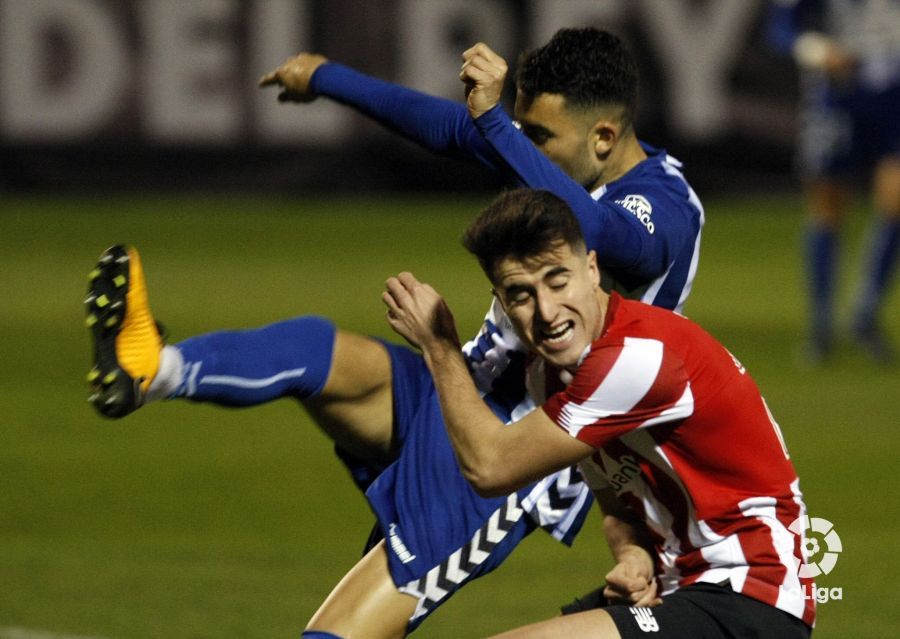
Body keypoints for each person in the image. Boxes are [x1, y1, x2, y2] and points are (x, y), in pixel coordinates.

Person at [85, 29, 703, 638]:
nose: (524, 146)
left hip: (513, 452)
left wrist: (494, 124)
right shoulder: (550, 157)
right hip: (460, 382)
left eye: (536, 135)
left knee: (341, 630)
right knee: (312, 350)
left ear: (603, 137)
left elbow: (600, 228)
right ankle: (152, 369)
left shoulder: (665, 206)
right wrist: (327, 76)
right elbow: (444, 126)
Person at [384, 188, 816, 638]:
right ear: (501, 301)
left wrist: (439, 346)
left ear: (591, 269)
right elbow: (615, 499)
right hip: (679, 586)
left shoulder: (636, 359)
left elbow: (491, 467)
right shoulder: (549, 373)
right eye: (521, 294)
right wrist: (634, 557)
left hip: (750, 594)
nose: (547, 312)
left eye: (557, 280)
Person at [767, 0, 900, 364]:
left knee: (895, 201)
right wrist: (817, 50)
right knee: (827, 207)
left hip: (894, 93)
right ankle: (821, 326)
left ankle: (865, 313)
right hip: (838, 95)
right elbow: (780, 27)